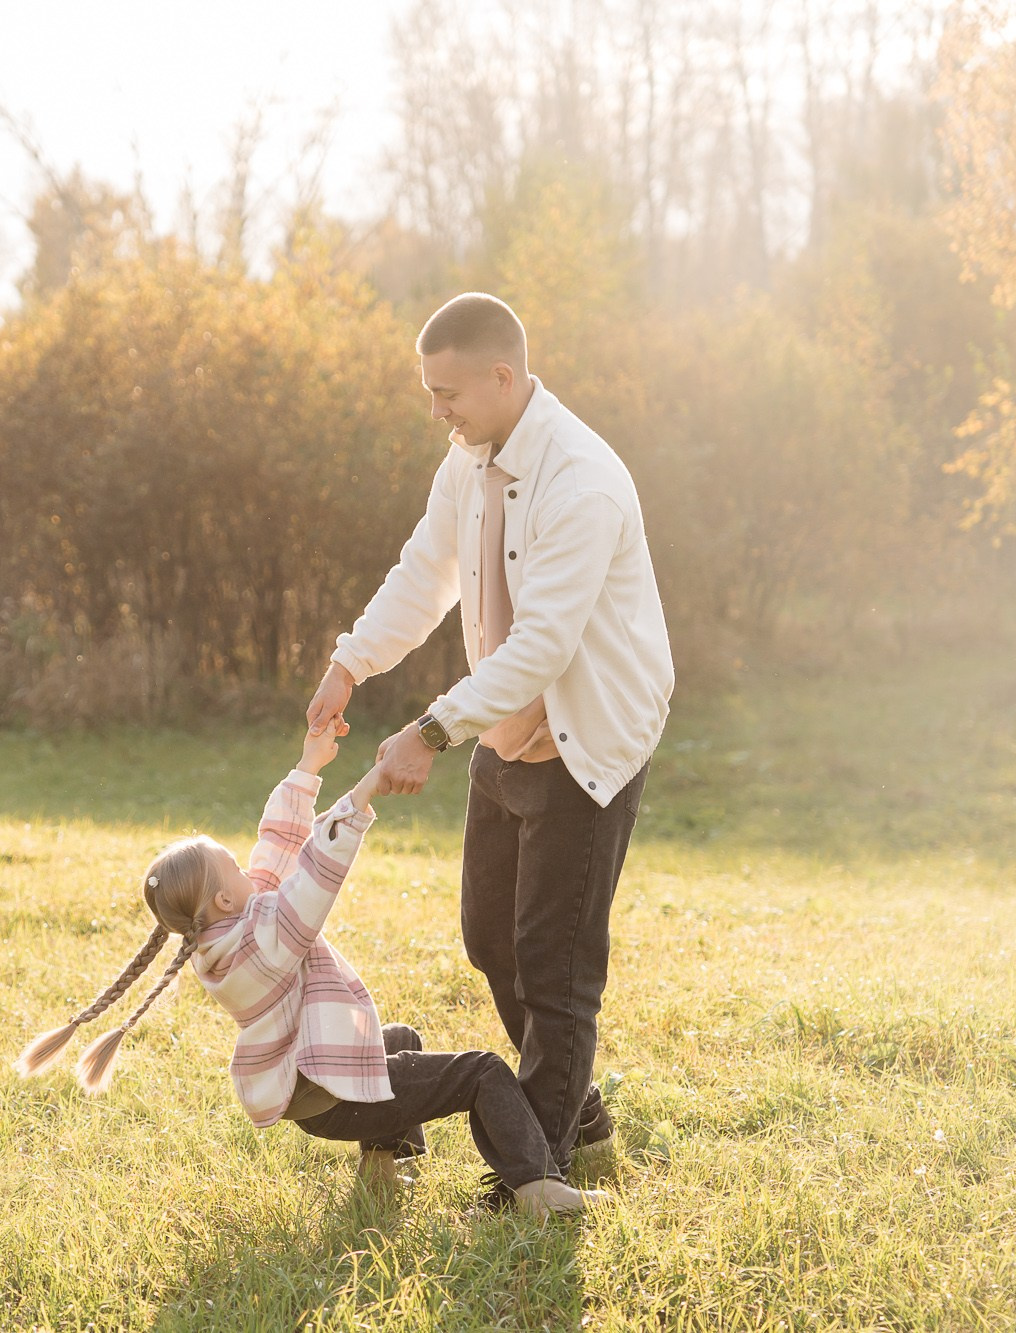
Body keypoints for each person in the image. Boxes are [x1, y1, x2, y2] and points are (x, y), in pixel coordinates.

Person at [305, 292, 674, 1203]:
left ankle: (536, 1169)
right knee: (488, 937)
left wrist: (429, 731)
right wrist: (349, 664)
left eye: (448, 392)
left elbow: (543, 644)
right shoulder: (468, 462)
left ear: (503, 378)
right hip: (502, 727)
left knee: (554, 963)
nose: (438, 411)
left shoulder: (581, 480)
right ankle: (573, 1100)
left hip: (584, 742)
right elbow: (423, 571)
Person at [14, 723, 604, 1218]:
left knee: (398, 1041)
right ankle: (536, 1186)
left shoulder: (226, 934)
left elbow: (275, 848)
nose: (250, 873)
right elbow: (311, 875)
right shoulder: (263, 937)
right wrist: (366, 791)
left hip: (312, 1088)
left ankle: (379, 1171)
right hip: (329, 1095)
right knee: (482, 1071)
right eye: (234, 871)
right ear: (223, 900)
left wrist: (308, 765)